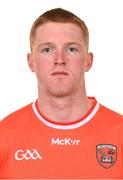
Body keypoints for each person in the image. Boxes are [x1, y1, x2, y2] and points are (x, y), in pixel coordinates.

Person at [0, 8, 123, 179]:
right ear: (31, 61)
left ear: (88, 61)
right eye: (47, 50)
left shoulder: (120, 133)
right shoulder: (4, 135)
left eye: (71, 49)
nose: (60, 59)